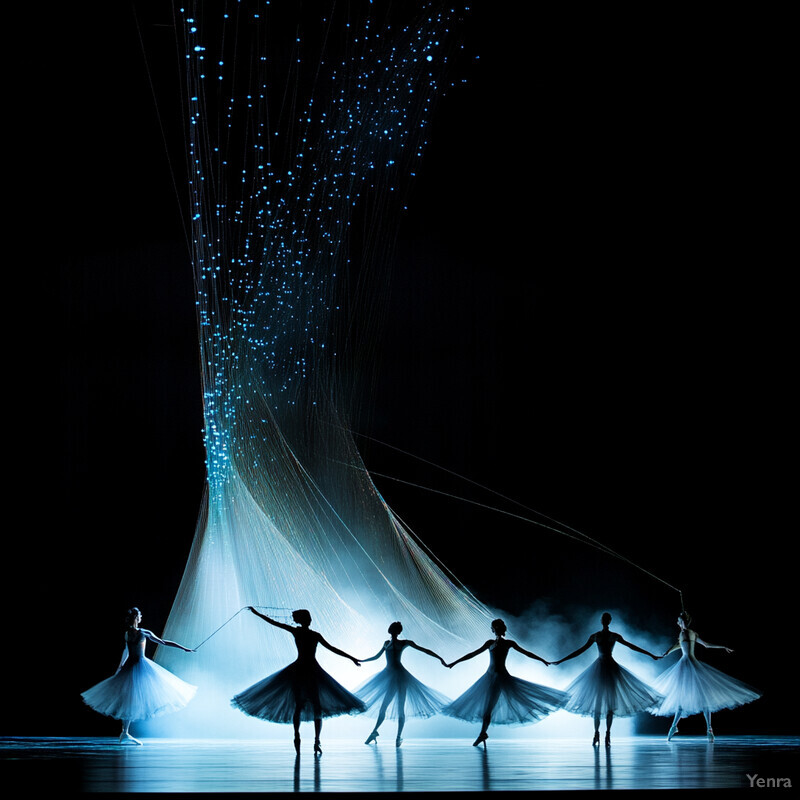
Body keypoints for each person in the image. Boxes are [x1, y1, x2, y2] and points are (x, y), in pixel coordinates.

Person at [231, 607, 366, 754]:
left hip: (300, 670)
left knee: (299, 705)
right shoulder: (313, 635)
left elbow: (274, 623)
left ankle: (298, 736)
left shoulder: (298, 632)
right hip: (311, 671)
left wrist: (256, 613)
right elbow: (332, 648)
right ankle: (316, 740)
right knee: (316, 707)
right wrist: (351, 658)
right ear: (308, 619)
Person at [442, 618, 568, 747]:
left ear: (498, 629)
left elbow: (527, 653)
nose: (494, 629)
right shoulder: (490, 643)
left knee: (487, 709)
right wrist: (454, 662)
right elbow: (472, 654)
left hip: (500, 679)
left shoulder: (509, 643)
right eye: (494, 627)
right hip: (489, 677)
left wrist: (542, 660)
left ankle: (482, 734)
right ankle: (483, 733)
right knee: (487, 709)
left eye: (495, 627)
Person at [81, 607, 196, 744]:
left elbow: (126, 651)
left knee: (129, 699)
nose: (141, 618)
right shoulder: (143, 632)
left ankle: (125, 732)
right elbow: (163, 642)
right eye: (140, 616)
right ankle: (125, 732)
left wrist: (120, 667)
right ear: (137, 618)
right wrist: (184, 648)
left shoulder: (127, 633)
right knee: (137, 697)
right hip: (139, 666)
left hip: (130, 666)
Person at [552, 612, 662, 746]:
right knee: (597, 707)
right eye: (603, 619)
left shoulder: (614, 636)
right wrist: (562, 660)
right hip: (600, 669)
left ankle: (608, 734)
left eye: (606, 619)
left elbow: (631, 646)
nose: (605, 621)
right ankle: (596, 733)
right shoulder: (595, 636)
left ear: (609, 621)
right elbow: (580, 650)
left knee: (610, 706)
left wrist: (650, 654)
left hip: (610, 669)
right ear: (602, 621)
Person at [651, 611, 761, 741]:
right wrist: (667, 652)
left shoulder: (684, 633)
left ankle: (685, 728)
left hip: (687, 666)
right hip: (689, 666)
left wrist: (667, 652)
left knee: (684, 699)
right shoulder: (688, 633)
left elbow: (685, 645)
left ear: (681, 622)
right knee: (697, 699)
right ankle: (706, 729)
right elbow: (700, 645)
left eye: (679, 620)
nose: (678, 622)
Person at [357, 621, 450, 747]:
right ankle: (376, 732)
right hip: (390, 676)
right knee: (385, 707)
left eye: (395, 629)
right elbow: (376, 656)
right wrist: (361, 660)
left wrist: (440, 658)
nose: (394, 631)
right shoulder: (386, 643)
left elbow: (425, 650)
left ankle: (396, 736)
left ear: (398, 632)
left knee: (399, 708)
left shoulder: (404, 642)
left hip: (400, 677)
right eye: (393, 629)